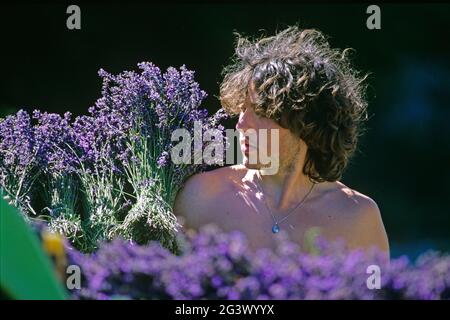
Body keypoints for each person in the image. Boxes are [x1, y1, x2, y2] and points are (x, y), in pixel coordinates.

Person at [174, 26, 389, 257]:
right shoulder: (201, 196)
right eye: (243, 109)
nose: (241, 125)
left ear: (306, 124)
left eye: (261, 113)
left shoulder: (358, 216)